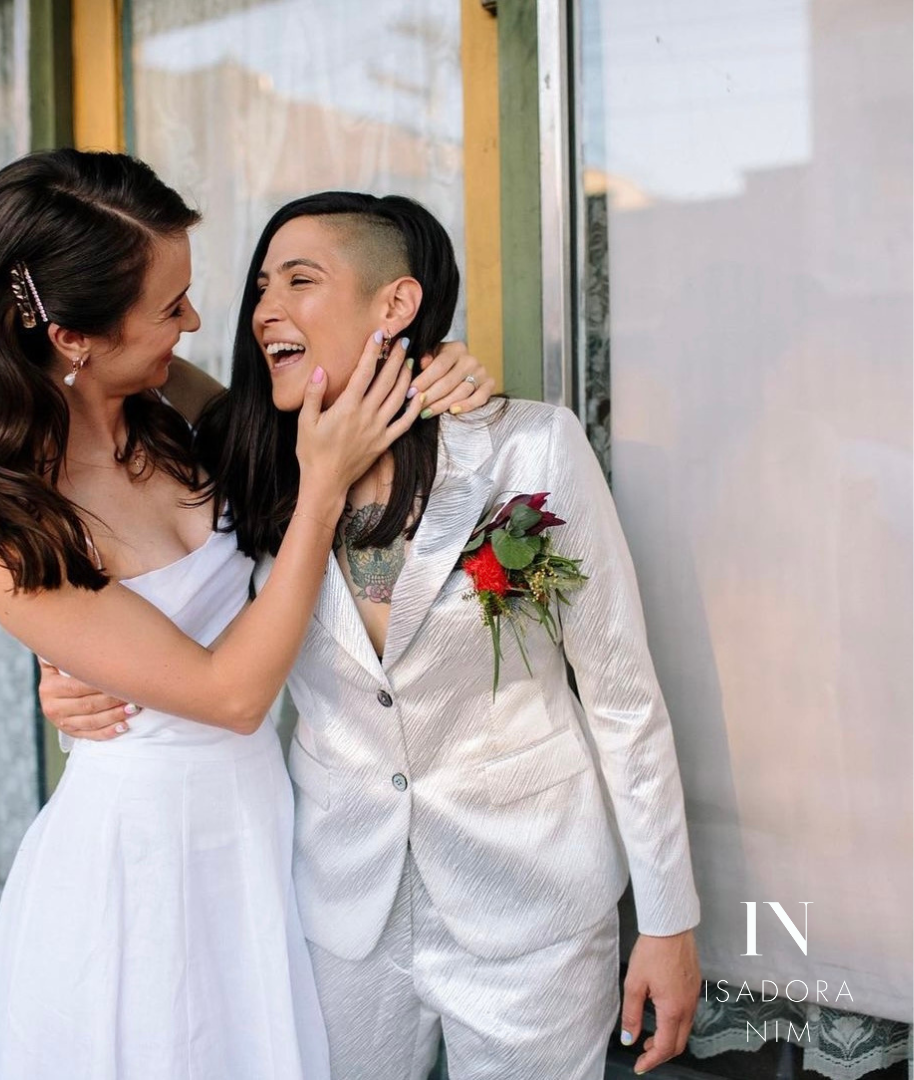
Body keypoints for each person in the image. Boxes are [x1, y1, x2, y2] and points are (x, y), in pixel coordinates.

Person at [43, 191, 703, 1079]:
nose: (264, 308)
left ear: (395, 305)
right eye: (261, 287)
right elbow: (103, 457)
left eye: (301, 280)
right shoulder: (248, 461)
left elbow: (623, 698)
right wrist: (64, 663)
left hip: (531, 908)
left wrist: (668, 921)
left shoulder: (529, 451)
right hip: (339, 909)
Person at [0, 151, 492, 1080]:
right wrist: (321, 491)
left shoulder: (169, 403)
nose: (193, 321)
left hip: (258, 827)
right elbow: (229, 693)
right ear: (72, 337)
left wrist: (428, 364)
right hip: (142, 860)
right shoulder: (3, 524)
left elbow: (310, 424)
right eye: (169, 305)